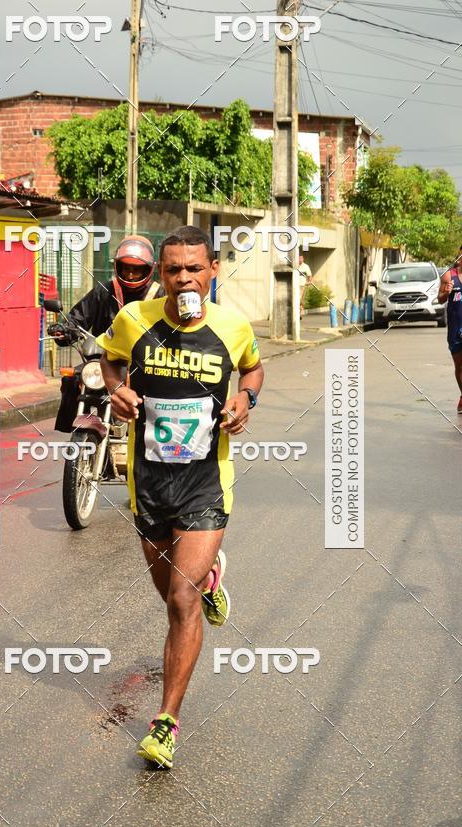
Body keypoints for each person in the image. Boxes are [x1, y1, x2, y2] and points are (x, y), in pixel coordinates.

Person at [97, 225, 264, 769]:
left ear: (212, 269)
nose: (183, 278)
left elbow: (255, 368)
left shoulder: (232, 326)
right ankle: (211, 576)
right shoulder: (134, 320)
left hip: (206, 482)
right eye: (173, 270)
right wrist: (118, 389)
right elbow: (111, 359)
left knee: (180, 602)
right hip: (149, 483)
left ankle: (165, 723)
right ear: (161, 275)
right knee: (168, 587)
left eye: (194, 268)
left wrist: (245, 398)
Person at [51, 235, 163, 432]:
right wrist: (64, 328)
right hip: (103, 361)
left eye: (136, 270)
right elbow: (79, 316)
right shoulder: (104, 290)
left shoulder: (160, 295)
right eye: (126, 268)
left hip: (143, 364)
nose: (130, 274)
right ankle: (72, 428)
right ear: (118, 267)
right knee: (73, 379)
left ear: (148, 269)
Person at [437, 246, 462, 413]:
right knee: (459, 367)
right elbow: (439, 299)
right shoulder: (449, 275)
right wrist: (446, 292)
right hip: (455, 328)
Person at [297, 253, 312, 320]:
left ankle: (299, 314)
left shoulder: (306, 266)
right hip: (295, 285)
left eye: (301, 258)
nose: (300, 259)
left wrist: (309, 281)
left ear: (303, 259)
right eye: (299, 258)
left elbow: (309, 275)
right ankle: (296, 314)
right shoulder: (295, 265)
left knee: (301, 301)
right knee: (296, 300)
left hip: (302, 286)